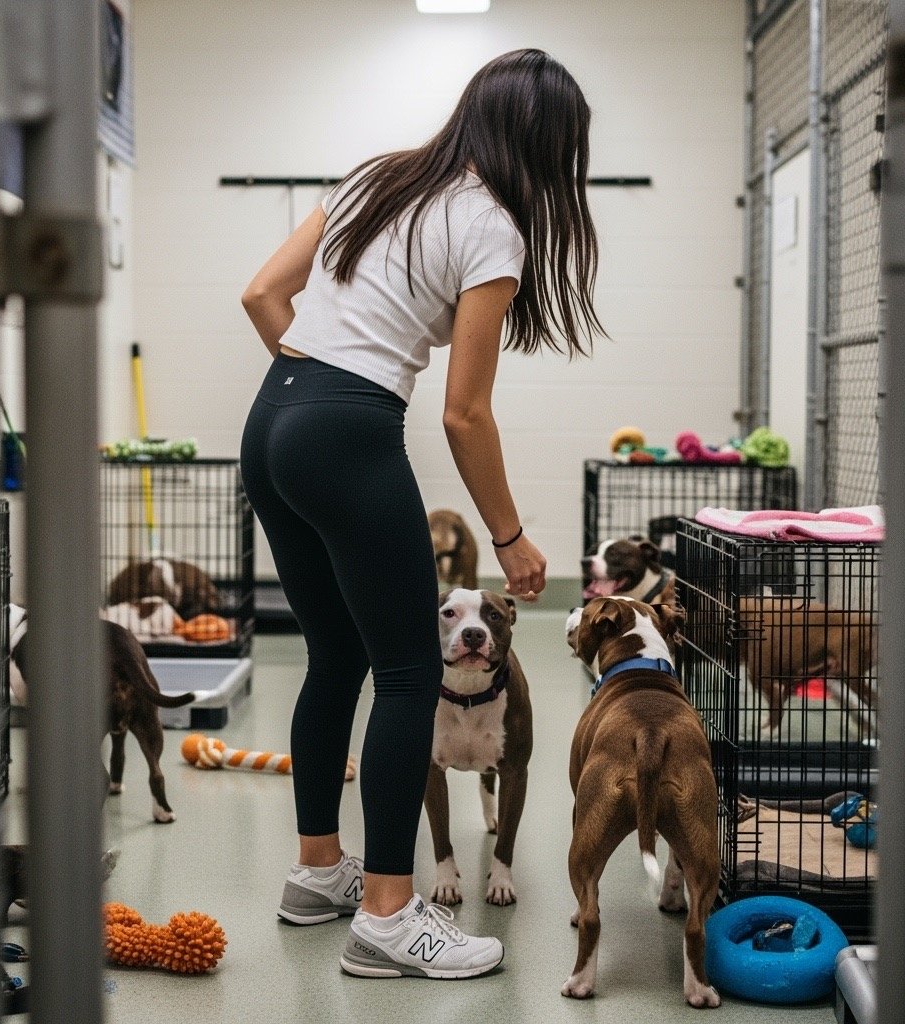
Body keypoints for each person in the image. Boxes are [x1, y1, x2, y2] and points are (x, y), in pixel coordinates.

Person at [239, 47, 603, 980]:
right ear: (546, 147)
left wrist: (312, 382)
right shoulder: (492, 227)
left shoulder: (376, 177)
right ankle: (390, 918)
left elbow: (261, 293)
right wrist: (513, 540)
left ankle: (318, 871)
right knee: (407, 673)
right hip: (349, 430)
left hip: (272, 414)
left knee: (338, 656)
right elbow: (465, 409)